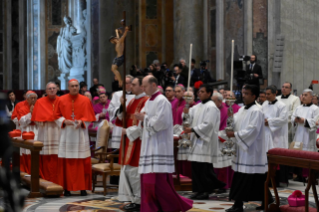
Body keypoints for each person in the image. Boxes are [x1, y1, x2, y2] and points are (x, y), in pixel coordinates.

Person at [137, 75, 193, 212]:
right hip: (149, 146)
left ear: (154, 85)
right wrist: (142, 119)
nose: (143, 88)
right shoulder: (148, 101)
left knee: (158, 183)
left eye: (145, 86)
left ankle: (170, 206)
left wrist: (144, 118)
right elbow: (145, 119)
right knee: (147, 181)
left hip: (159, 147)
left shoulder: (162, 101)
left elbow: (160, 123)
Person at [225, 84, 273, 212]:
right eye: (243, 92)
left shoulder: (257, 111)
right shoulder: (241, 109)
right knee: (255, 179)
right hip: (243, 150)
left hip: (252, 151)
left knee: (247, 178)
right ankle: (267, 200)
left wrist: (234, 135)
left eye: (246, 93)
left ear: (254, 96)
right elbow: (235, 124)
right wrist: (231, 118)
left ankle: (238, 205)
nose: (243, 95)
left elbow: (252, 130)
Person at [181, 84, 226, 200]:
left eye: (202, 91)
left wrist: (193, 129)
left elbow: (209, 124)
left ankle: (205, 191)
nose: (199, 93)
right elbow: (188, 119)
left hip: (206, 142)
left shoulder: (212, 107)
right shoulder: (196, 107)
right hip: (197, 140)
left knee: (203, 168)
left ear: (209, 93)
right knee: (195, 167)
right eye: (199, 91)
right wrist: (185, 113)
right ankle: (198, 190)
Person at [55, 79, 96, 196]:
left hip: (80, 135)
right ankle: (67, 188)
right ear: (68, 87)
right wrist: (64, 121)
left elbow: (89, 118)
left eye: (76, 86)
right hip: (66, 135)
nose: (75, 88)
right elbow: (56, 116)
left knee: (81, 162)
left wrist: (82, 122)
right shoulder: (61, 99)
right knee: (67, 162)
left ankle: (82, 188)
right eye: (72, 86)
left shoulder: (86, 100)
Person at [116, 76, 148, 211]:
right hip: (128, 140)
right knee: (128, 171)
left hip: (137, 142)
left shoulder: (146, 101)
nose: (130, 87)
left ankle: (139, 201)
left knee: (135, 172)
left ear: (141, 86)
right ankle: (134, 199)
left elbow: (143, 125)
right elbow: (120, 119)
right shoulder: (132, 101)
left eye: (133, 84)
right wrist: (122, 105)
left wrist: (127, 131)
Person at [31, 82, 60, 183]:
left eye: (53, 88)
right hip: (45, 132)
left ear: (57, 89)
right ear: (46, 91)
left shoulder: (61, 101)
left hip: (58, 132)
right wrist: (44, 119)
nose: (52, 90)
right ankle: (46, 181)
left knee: (58, 156)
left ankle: (58, 181)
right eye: (49, 89)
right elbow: (36, 119)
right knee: (46, 157)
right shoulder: (40, 102)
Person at [262, 85, 289, 186]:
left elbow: (283, 119)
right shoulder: (264, 104)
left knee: (277, 157)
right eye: (266, 94)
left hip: (277, 135)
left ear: (275, 94)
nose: (266, 96)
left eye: (268, 94)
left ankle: (278, 181)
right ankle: (268, 179)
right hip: (266, 134)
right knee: (267, 156)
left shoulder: (281, 105)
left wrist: (269, 121)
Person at [212, 92, 234, 192]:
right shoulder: (214, 110)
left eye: (214, 101)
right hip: (213, 140)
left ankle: (223, 185)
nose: (211, 103)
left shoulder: (225, 111)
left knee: (222, 165)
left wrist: (217, 135)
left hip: (221, 141)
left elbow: (228, 127)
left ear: (220, 101)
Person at [107, 75, 135, 149]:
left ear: (132, 84)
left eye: (127, 83)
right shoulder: (117, 94)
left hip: (132, 125)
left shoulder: (137, 95)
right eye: (124, 83)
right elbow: (110, 109)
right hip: (120, 126)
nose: (124, 85)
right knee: (119, 151)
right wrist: (120, 109)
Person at [18, 91, 39, 174]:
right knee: (27, 151)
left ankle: (36, 172)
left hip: (37, 130)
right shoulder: (22, 108)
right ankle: (27, 170)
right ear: (27, 99)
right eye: (31, 98)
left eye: (35, 98)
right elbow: (21, 122)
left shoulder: (39, 107)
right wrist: (30, 113)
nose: (33, 100)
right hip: (27, 130)